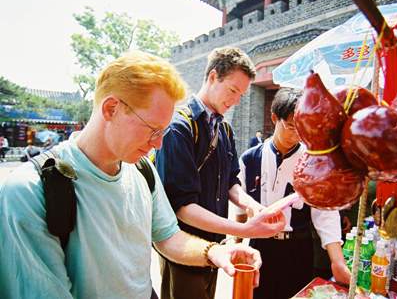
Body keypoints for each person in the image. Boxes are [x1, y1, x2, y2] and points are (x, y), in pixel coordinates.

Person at [0, 51, 273, 299]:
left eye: (163, 132)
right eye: (152, 129)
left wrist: (216, 252)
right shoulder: (31, 190)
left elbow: (168, 237)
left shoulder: (143, 171)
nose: (158, 144)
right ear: (111, 109)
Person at [155, 47, 286, 299]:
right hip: (183, 246)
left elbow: (231, 181)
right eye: (233, 90)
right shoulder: (179, 128)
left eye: (242, 93)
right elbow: (181, 205)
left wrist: (254, 207)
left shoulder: (224, 129)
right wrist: (246, 230)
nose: (236, 100)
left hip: (216, 245)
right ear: (213, 77)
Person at [237, 88, 351, 299]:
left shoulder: (313, 163)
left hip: (297, 248)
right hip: (260, 246)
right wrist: (237, 245)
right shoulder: (249, 159)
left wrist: (337, 261)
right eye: (291, 126)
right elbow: (240, 209)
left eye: (302, 128)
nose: (297, 134)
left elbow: (325, 215)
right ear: (274, 118)